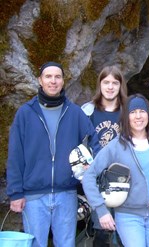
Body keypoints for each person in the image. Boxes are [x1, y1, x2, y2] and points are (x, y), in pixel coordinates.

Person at [6, 61, 100, 247]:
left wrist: (94, 165)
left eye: (57, 77)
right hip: (33, 196)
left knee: (66, 244)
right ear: (40, 81)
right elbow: (15, 155)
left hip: (66, 193)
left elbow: (93, 141)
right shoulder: (25, 113)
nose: (53, 81)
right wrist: (15, 193)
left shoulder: (74, 112)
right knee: (36, 244)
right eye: (48, 76)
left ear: (63, 81)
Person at [82, 94, 149, 247]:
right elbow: (89, 176)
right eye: (133, 112)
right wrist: (101, 210)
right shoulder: (116, 146)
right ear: (126, 117)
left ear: (148, 115)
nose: (138, 116)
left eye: (142, 112)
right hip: (128, 216)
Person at [81, 65, 127, 246]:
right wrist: (83, 164)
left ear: (120, 85)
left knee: (125, 230)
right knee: (102, 230)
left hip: (124, 177)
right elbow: (78, 143)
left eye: (115, 83)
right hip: (98, 180)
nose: (110, 87)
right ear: (99, 84)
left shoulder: (128, 110)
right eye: (106, 82)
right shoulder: (88, 111)